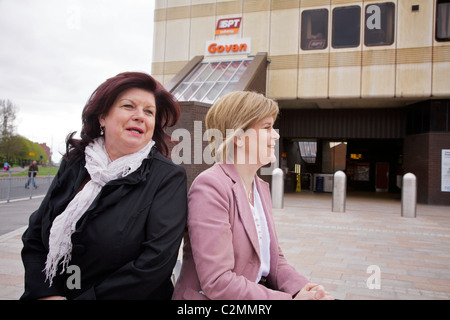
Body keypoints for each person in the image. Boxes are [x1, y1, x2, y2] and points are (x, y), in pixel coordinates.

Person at [21, 72, 187, 300]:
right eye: (129, 106)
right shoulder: (74, 163)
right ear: (102, 117)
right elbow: (34, 236)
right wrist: (46, 294)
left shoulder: (167, 177)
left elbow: (155, 263)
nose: (140, 116)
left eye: (149, 111)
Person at [173, 91, 333, 300]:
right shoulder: (210, 187)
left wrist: (306, 289)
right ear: (238, 137)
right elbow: (218, 282)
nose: (275, 135)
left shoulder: (259, 187)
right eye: (266, 127)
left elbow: (274, 259)